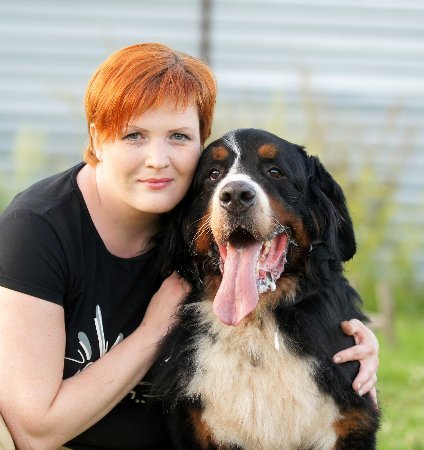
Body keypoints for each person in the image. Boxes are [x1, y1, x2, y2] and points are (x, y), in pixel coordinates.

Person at [0, 43, 379, 450]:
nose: (157, 159)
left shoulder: (189, 207)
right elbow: (34, 431)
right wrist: (153, 331)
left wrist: (342, 336)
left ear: (200, 140)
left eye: (178, 136)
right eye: (134, 135)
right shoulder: (39, 228)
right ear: (97, 138)